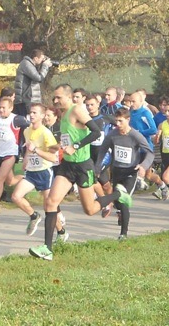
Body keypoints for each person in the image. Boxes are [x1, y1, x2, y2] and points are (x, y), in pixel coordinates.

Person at [30, 84, 118, 261]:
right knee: (51, 202)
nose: (55, 101)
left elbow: (95, 132)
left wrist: (76, 146)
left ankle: (117, 194)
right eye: (54, 98)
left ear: (69, 97)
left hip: (83, 166)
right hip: (67, 166)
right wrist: (57, 146)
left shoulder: (77, 110)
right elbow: (68, 138)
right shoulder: (62, 114)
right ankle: (47, 248)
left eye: (58, 97)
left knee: (90, 209)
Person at [95, 108, 153, 240]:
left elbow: (150, 152)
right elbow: (103, 150)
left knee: (123, 199)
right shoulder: (112, 134)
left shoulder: (135, 135)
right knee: (119, 202)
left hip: (130, 172)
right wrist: (98, 167)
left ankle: (123, 234)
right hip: (116, 170)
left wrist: (143, 166)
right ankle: (117, 208)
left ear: (128, 120)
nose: (118, 124)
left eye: (121, 121)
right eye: (116, 121)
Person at [11, 104, 62, 241]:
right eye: (30, 112)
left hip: (44, 172)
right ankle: (34, 216)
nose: (31, 115)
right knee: (16, 196)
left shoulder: (46, 133)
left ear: (42, 116)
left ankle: (61, 232)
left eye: (35, 113)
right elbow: (29, 147)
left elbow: (53, 157)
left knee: (50, 206)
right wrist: (26, 160)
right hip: (31, 172)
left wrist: (36, 151)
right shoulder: (27, 131)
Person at [0, 97, 29, 220]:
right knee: (10, 181)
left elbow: (30, 126)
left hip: (10, 153)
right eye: (0, 107)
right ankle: (27, 178)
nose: (1, 110)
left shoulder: (16, 119)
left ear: (11, 108)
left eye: (4, 108)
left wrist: (27, 141)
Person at [14, 49, 52, 116]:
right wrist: (45, 66)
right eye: (42, 59)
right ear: (36, 58)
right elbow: (39, 78)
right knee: (27, 122)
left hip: (26, 99)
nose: (42, 61)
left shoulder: (29, 64)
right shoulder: (26, 64)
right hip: (25, 100)